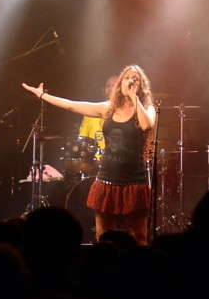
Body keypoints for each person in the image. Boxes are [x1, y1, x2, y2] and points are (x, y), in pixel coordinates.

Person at [22, 64, 155, 244]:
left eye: (135, 79)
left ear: (141, 85)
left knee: (139, 237)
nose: (131, 81)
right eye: (127, 77)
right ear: (120, 84)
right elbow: (72, 106)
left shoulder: (147, 108)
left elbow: (147, 125)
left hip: (134, 182)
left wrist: (134, 99)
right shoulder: (109, 108)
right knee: (103, 237)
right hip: (107, 180)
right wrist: (43, 95)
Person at [74, 74, 118, 168]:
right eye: (108, 85)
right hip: (92, 165)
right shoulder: (90, 113)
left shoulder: (124, 114)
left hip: (116, 164)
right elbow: (82, 140)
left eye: (114, 86)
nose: (110, 89)